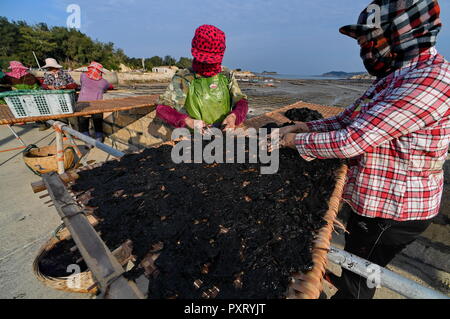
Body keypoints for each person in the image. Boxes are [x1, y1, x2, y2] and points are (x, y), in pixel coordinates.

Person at [275, 0, 449, 299]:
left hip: (393, 211)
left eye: (369, 40)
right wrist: (304, 128)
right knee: (356, 268)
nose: (365, 50)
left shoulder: (429, 81)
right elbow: (347, 119)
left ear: (399, 34)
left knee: (360, 280)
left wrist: (290, 141)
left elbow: (351, 140)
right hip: (374, 202)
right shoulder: (396, 76)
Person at [156, 25, 248, 132]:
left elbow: (241, 101)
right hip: (193, 138)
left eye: (212, 62)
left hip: (224, 133)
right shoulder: (184, 77)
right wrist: (188, 121)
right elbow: (162, 108)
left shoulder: (226, 74)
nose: (208, 66)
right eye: (205, 61)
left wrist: (234, 117)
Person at [77, 61, 111, 142]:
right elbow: (107, 87)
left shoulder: (83, 76)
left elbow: (82, 83)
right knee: (97, 121)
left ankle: (86, 139)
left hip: (82, 104)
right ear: (100, 72)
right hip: (97, 105)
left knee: (83, 122)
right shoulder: (104, 82)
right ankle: (99, 138)